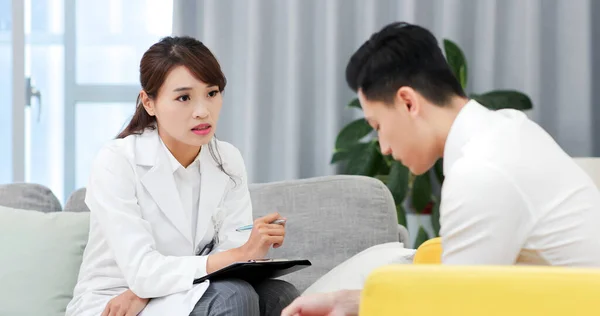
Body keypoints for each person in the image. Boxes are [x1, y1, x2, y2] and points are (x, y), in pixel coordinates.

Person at [282, 21, 600, 316]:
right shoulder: (506, 129)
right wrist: (347, 300)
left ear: (408, 102)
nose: (384, 148)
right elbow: (450, 291)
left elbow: (449, 307)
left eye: (377, 125)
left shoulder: (481, 171)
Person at [65, 36, 299, 316]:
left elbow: (232, 252)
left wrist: (249, 248)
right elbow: (141, 270)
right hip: (115, 302)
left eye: (212, 93)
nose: (202, 111)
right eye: (184, 97)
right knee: (233, 297)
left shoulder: (227, 159)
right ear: (149, 103)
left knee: (281, 294)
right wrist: (145, 290)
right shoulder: (116, 161)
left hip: (175, 289)